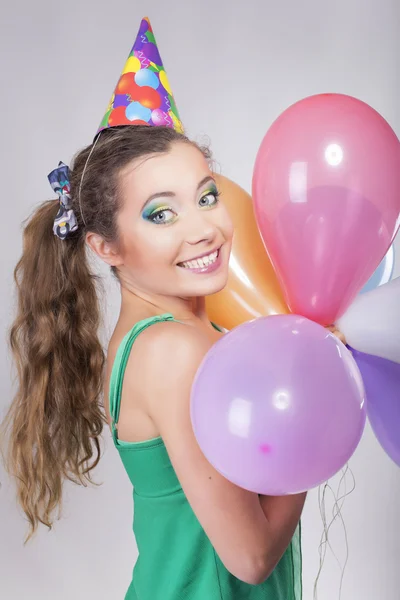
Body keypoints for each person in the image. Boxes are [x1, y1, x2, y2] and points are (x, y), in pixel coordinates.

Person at [2, 17, 305, 600]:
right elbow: (249, 557)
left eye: (207, 196)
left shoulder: (178, 331)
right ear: (105, 246)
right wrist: (310, 425)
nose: (205, 229)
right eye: (161, 214)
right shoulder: (174, 350)